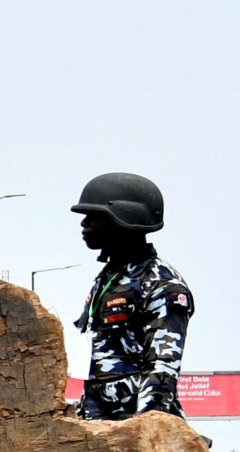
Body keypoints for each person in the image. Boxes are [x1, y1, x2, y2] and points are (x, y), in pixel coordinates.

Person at [71, 172, 193, 421]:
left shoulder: (161, 283)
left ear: (123, 219)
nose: (84, 224)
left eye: (94, 217)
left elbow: (162, 366)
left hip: (135, 425)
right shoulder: (107, 279)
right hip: (99, 422)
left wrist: (145, 429)